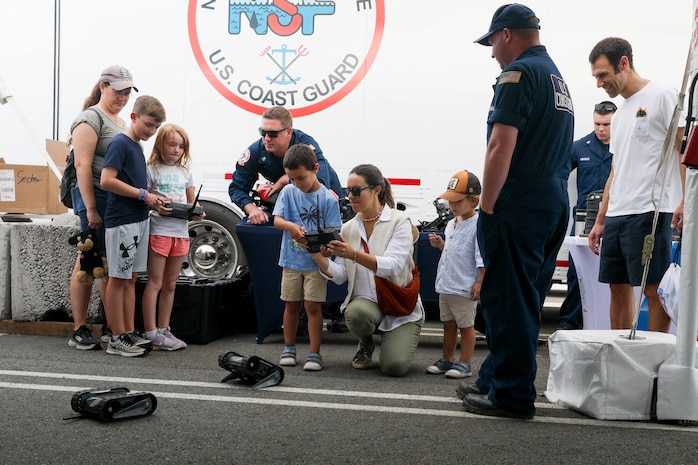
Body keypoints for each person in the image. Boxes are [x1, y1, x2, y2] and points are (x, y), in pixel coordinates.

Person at [459, 4, 574, 420]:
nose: (492, 53)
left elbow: (500, 145)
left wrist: (486, 206)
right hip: (551, 199)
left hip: (519, 200)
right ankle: (495, 377)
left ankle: (510, 395)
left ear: (506, 34)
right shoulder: (556, 76)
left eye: (491, 42)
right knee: (523, 298)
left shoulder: (517, 74)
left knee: (508, 298)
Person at [587, 37, 685, 332]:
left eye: (603, 75)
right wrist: (601, 218)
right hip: (618, 212)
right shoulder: (620, 115)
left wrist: (686, 201)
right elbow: (616, 170)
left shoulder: (663, 95)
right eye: (596, 77)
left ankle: (654, 363)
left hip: (651, 210)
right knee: (617, 287)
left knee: (653, 289)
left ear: (624, 63)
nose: (600, 83)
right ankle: (620, 356)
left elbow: (685, 150)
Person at [312, 164, 424, 377]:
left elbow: (393, 265)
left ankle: (396, 334)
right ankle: (365, 342)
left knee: (394, 368)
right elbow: (341, 276)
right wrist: (316, 255)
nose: (350, 197)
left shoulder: (400, 222)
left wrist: (352, 254)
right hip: (368, 304)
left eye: (356, 191)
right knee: (356, 314)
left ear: (376, 190)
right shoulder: (349, 228)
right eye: (347, 191)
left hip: (399, 305)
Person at [67, 65, 137, 350]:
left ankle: (112, 327)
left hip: (114, 199)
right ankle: (79, 329)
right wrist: (91, 208)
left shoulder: (119, 122)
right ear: (103, 86)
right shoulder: (89, 119)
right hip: (94, 194)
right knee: (89, 262)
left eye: (127, 92)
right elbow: (82, 165)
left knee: (109, 264)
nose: (122, 96)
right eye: (118, 90)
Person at [100, 95, 167, 357]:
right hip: (122, 220)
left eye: (155, 128)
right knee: (118, 279)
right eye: (148, 125)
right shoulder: (121, 143)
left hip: (138, 218)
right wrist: (143, 196)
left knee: (132, 278)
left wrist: (152, 201)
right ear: (134, 117)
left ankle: (127, 331)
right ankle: (116, 336)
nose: (151, 131)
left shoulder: (136, 146)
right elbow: (107, 180)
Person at [272, 144, 341, 371]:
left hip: (314, 264)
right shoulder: (288, 191)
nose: (297, 184)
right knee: (291, 304)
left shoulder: (329, 199)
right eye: (292, 179)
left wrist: (322, 249)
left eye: (301, 178)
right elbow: (277, 220)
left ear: (316, 168)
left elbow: (333, 235)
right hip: (291, 260)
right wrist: (291, 227)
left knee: (313, 306)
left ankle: (314, 353)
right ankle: (288, 347)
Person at [141, 124, 205, 351]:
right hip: (159, 231)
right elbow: (144, 199)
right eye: (172, 144)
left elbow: (191, 201)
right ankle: (150, 332)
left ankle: (164, 329)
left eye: (181, 146)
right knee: (155, 282)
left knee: (171, 284)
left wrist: (197, 211)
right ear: (160, 144)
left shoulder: (185, 172)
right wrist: (157, 207)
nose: (177, 150)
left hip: (180, 232)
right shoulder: (151, 169)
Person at [228, 106, 343, 225]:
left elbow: (319, 184)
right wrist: (251, 209)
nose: (266, 138)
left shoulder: (306, 146)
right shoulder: (255, 151)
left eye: (273, 133)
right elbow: (236, 187)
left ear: (288, 132)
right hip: (288, 206)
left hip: (323, 208)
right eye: (263, 132)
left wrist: (286, 179)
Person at [558, 101, 616, 330]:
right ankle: (569, 323)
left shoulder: (625, 147)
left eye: (607, 124)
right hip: (584, 220)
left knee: (615, 275)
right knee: (578, 273)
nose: (601, 129)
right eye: (597, 123)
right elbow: (559, 174)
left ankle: (607, 324)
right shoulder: (580, 147)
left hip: (616, 218)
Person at [426, 170, 484, 379]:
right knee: (448, 324)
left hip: (463, 285)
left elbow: (481, 257)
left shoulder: (478, 225)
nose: (452, 206)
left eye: (457, 201)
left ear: (474, 200)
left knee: (467, 326)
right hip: (446, 284)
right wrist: (441, 245)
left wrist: (479, 282)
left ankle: (464, 363)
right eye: (450, 201)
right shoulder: (452, 223)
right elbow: (454, 250)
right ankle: (447, 358)